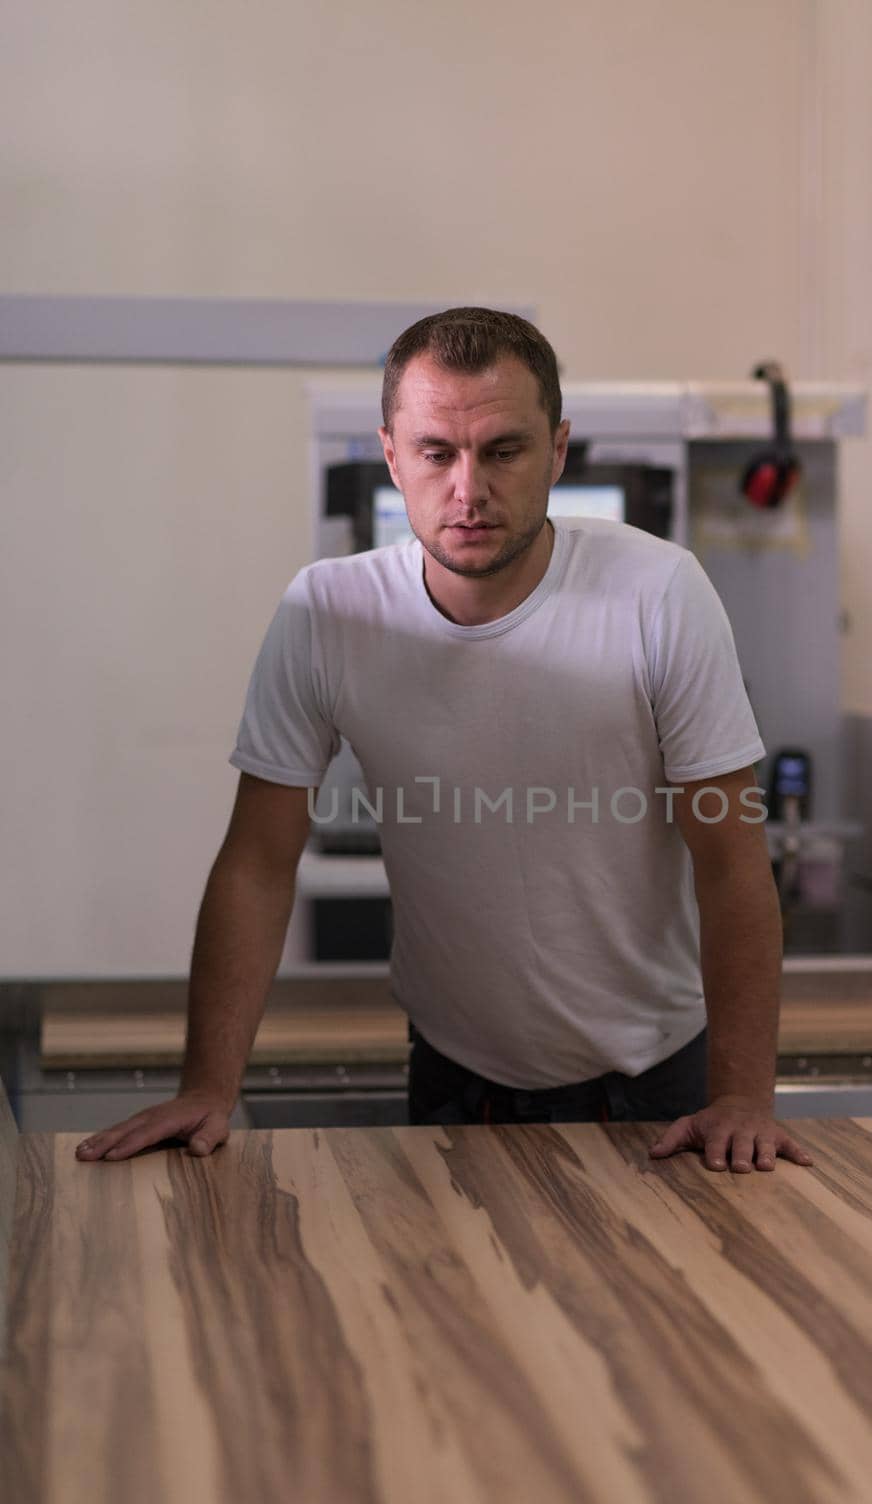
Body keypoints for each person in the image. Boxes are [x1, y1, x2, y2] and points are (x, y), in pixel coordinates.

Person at [76, 307, 813, 1175]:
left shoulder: (658, 594)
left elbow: (731, 861)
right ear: (392, 455)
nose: (469, 490)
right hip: (454, 1074)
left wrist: (741, 1098)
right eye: (437, 453)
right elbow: (257, 861)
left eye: (504, 450)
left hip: (655, 1083)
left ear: (559, 449)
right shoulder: (328, 614)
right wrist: (208, 1086)